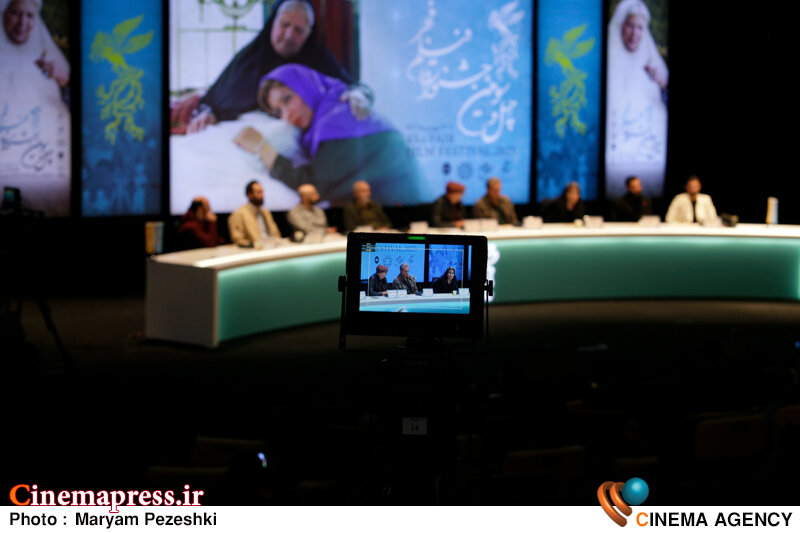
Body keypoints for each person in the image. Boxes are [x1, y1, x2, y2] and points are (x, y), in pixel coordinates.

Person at [233, 63, 431, 206]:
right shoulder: (329, 115)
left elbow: (314, 189)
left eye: (287, 99)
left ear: (306, 85)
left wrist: (264, 149)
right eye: (278, 112)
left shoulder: (337, 119)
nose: (287, 116)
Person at [186, 0, 370, 133]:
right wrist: (207, 113)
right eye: (284, 25)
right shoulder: (249, 57)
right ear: (273, 23)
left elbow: (355, 88)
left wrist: (358, 95)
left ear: (308, 34)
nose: (289, 35)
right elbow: (212, 99)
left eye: (299, 30)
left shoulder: (319, 59)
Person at [1, 0, 71, 216]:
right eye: (15, 13)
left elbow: (66, 79)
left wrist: (54, 72)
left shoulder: (43, 52)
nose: (23, 23)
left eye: (29, 16)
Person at [605, 0, 669, 199]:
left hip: (648, 151)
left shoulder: (651, 63)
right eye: (630, 26)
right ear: (620, 26)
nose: (635, 33)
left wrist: (661, 84)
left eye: (640, 28)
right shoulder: (607, 59)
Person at [228, 180, 281, 246]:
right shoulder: (239, 214)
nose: (262, 195)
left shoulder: (266, 212)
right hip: (254, 249)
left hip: (272, 247)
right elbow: (237, 239)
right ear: (249, 194)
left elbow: (276, 233)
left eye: (262, 192)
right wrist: (253, 245)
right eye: (258, 192)